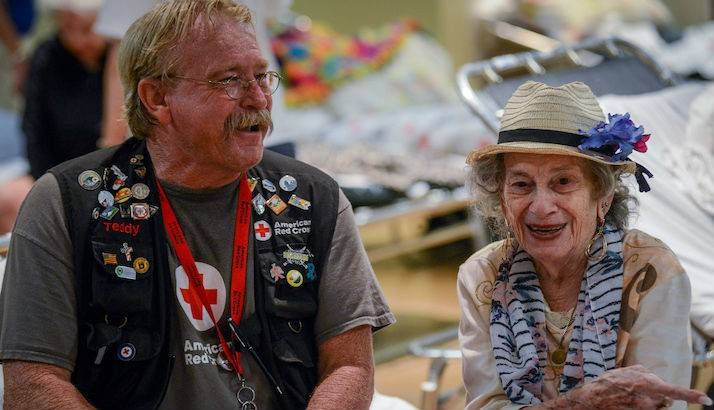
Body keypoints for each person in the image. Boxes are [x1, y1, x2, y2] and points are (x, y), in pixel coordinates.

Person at [0, 1, 395, 409]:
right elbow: (32, 382)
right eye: (229, 81)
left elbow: (349, 367)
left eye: (261, 76)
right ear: (157, 98)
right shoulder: (67, 204)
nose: (258, 98)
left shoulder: (315, 200)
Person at [458, 80, 711, 409]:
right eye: (521, 184)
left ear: (602, 198)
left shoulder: (651, 272)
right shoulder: (482, 277)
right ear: (502, 199)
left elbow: (659, 404)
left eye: (563, 182)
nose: (540, 206)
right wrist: (579, 404)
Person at [22, 0, 106, 179]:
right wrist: (46, 180)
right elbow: (33, 128)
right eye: (68, 29)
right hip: (55, 171)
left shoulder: (118, 59)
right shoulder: (47, 56)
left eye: (88, 29)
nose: (79, 41)